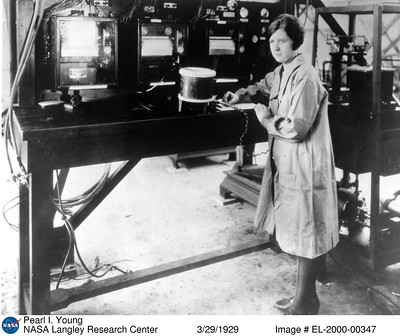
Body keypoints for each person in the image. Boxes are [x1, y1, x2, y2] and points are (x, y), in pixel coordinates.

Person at [223, 14, 339, 315]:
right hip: (289, 161)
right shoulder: (283, 71)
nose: (276, 46)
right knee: (300, 228)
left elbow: (297, 128)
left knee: (306, 231)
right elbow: (263, 85)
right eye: (272, 41)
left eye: (282, 41)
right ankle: (305, 297)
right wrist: (241, 93)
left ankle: (305, 302)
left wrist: (265, 120)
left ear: (294, 42)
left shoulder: (305, 75)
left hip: (305, 161)